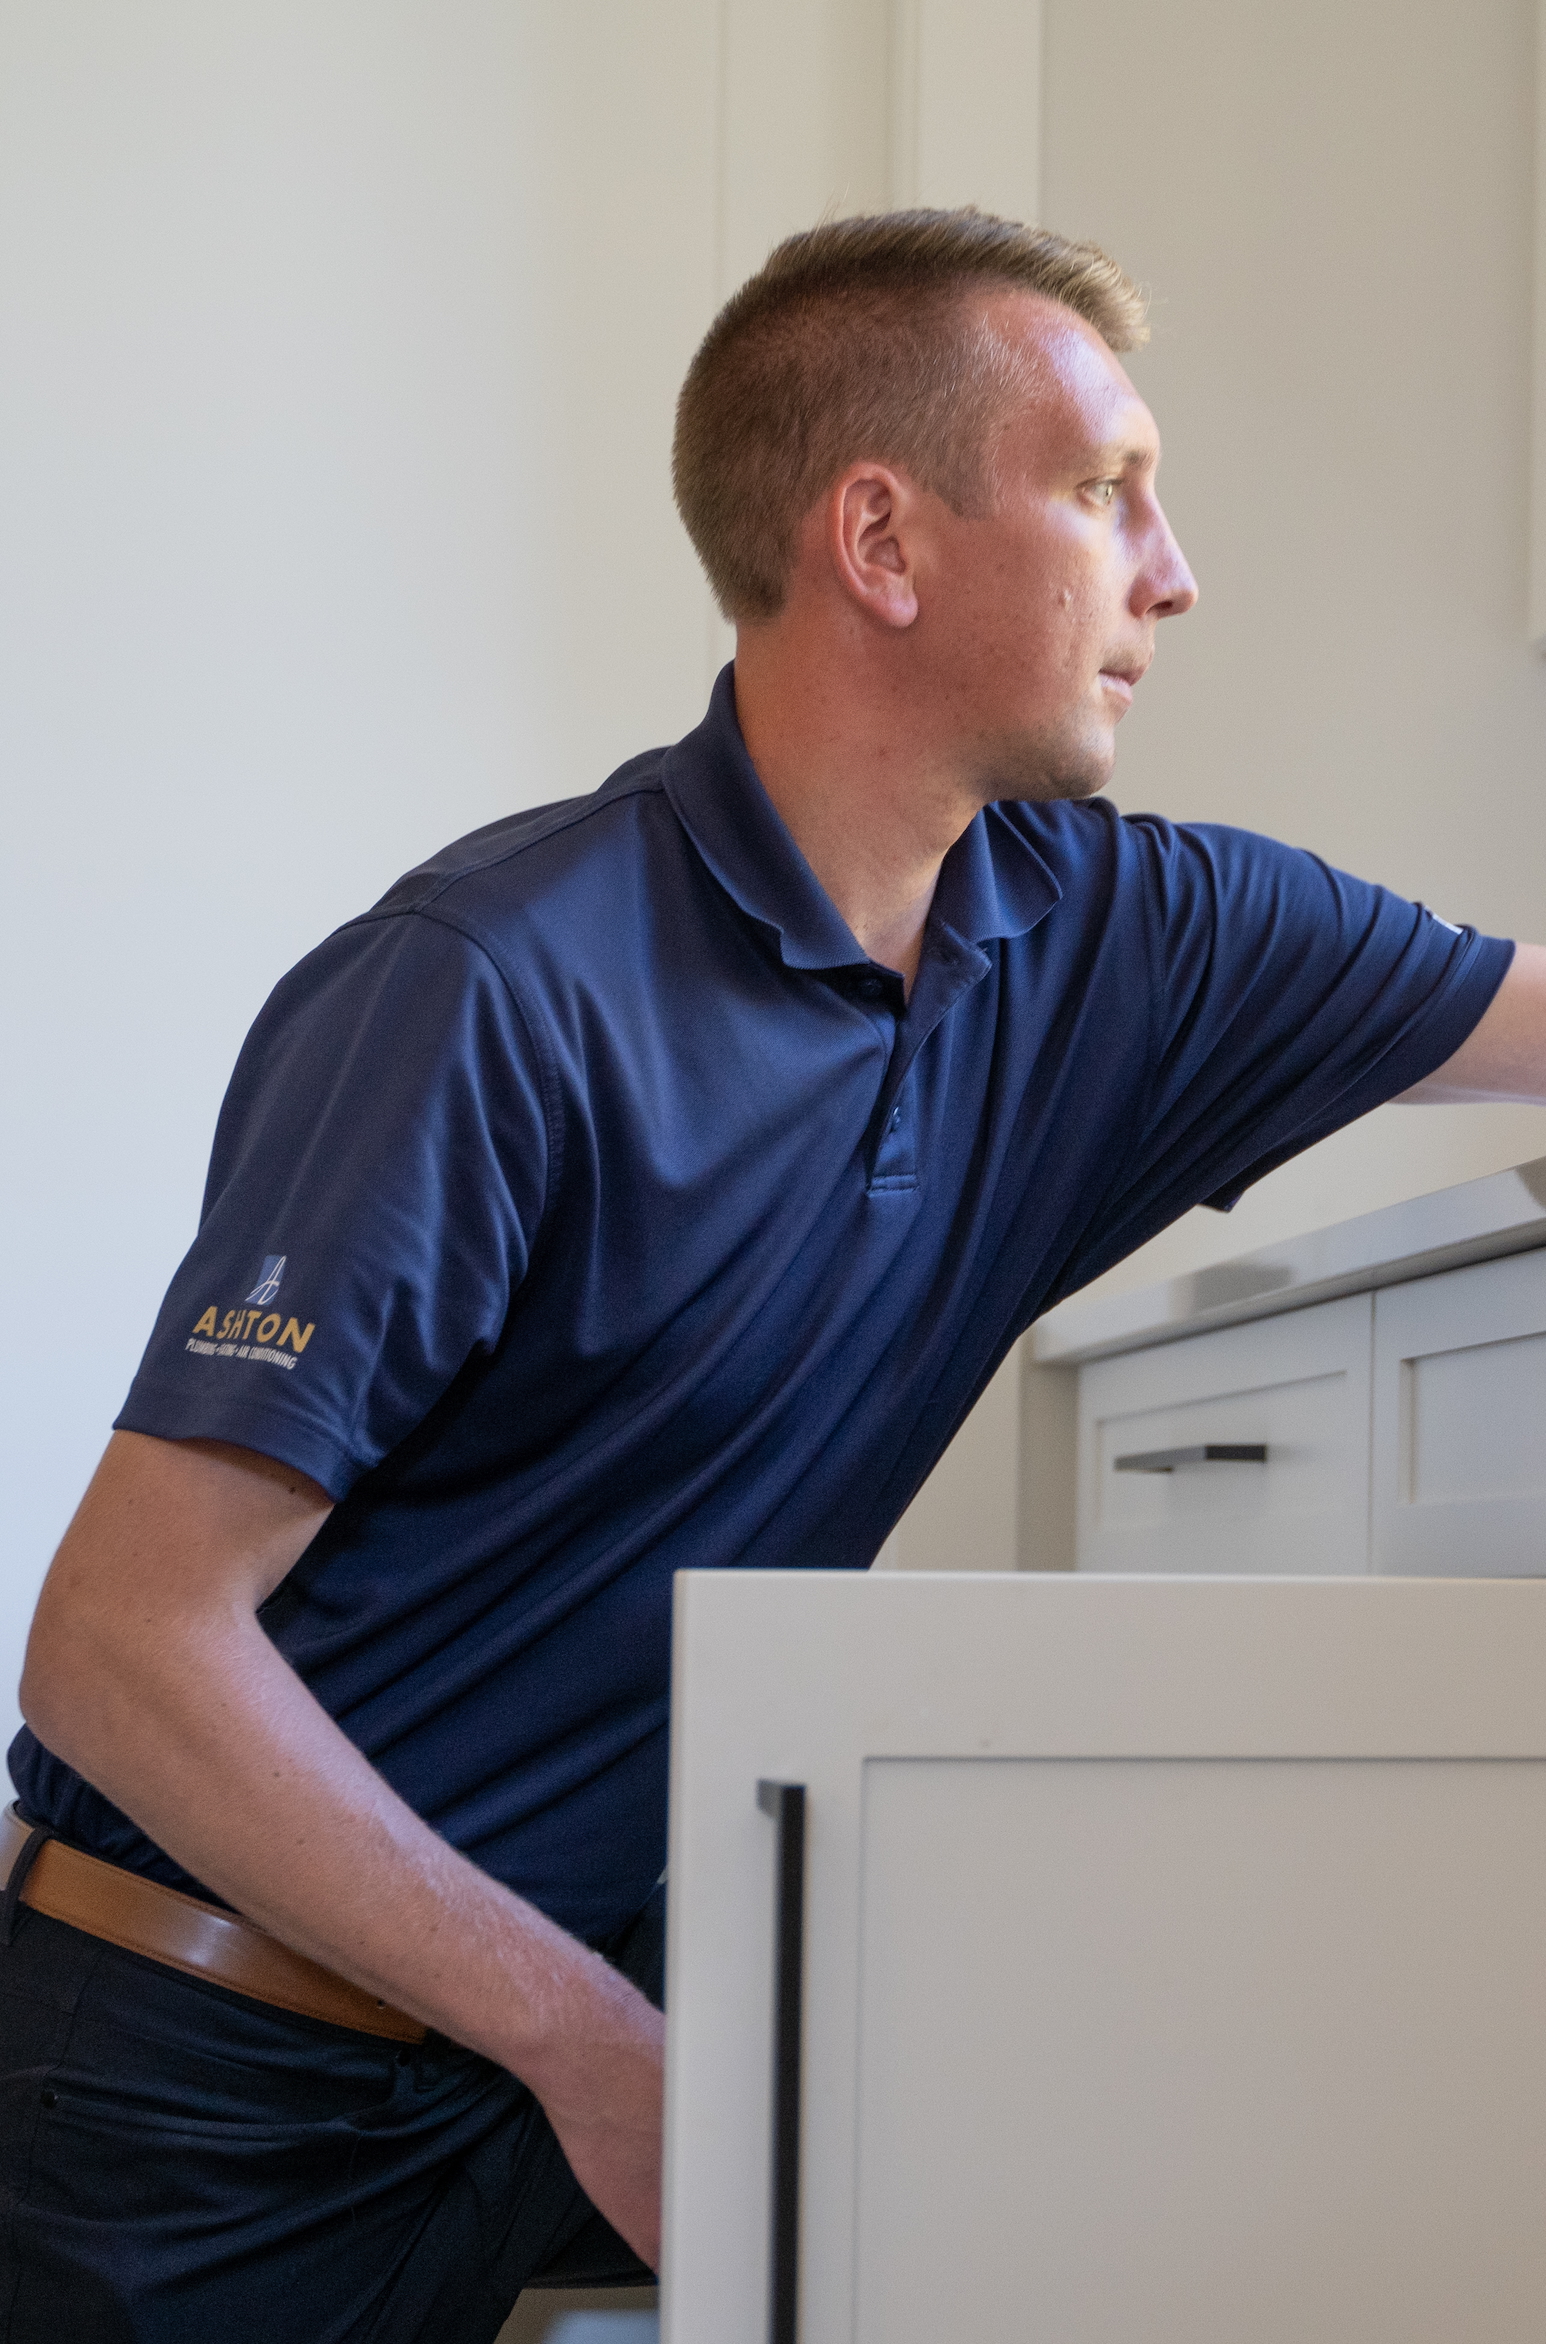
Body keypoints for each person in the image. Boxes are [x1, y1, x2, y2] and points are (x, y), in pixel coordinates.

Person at [4, 207, 1544, 2341]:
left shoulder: (1124, 946)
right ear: (882, 543)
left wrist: (589, 2050)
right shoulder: (492, 987)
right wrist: (591, 2040)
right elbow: (112, 1650)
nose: (1170, 569)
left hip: (521, 2074)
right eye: (1106, 492)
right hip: (196, 2097)